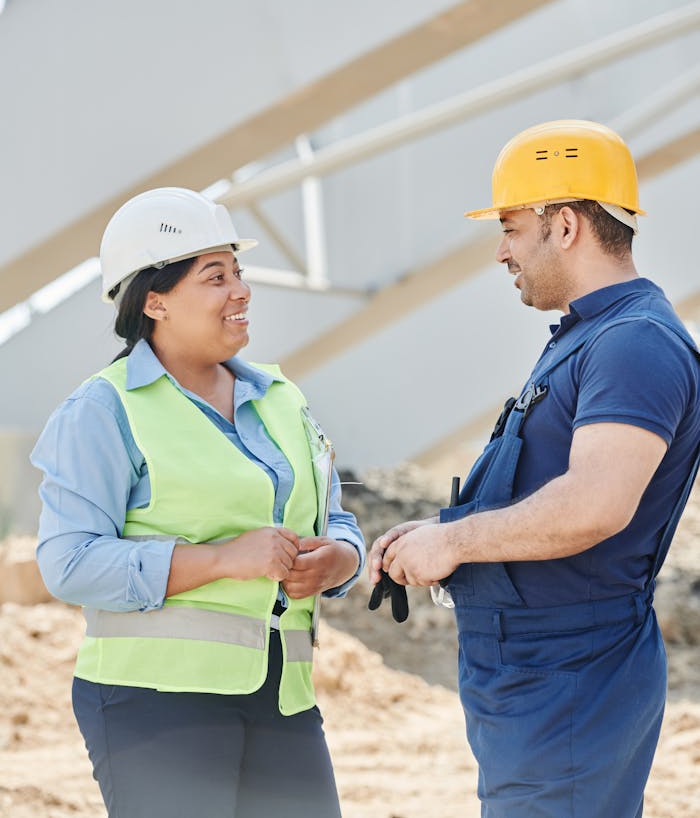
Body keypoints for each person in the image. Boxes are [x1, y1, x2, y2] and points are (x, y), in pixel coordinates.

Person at [369, 119, 700, 817]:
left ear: (567, 224)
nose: (500, 251)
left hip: (570, 680)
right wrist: (433, 530)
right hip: (536, 678)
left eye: (512, 227)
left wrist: (454, 543)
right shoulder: (589, 339)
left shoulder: (633, 344)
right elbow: (541, 486)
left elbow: (595, 504)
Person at [33, 186, 365, 818]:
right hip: (154, 703)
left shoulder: (281, 399)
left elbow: (335, 518)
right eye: (216, 277)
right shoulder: (104, 410)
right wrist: (222, 560)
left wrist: (340, 560)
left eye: (238, 273)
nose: (241, 290)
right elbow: (69, 563)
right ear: (154, 299)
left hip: (282, 696)